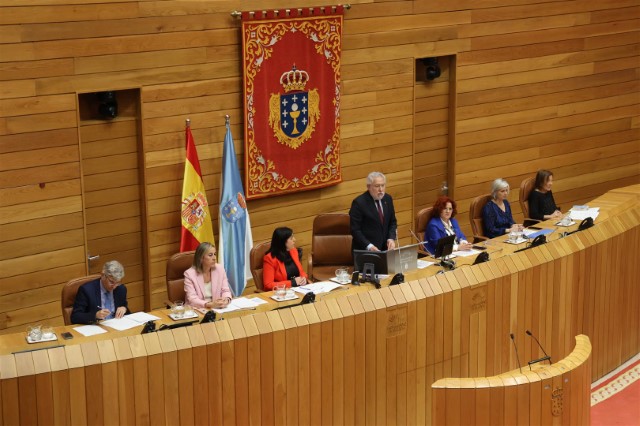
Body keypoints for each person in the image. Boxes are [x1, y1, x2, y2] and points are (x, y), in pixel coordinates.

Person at [349, 171, 398, 252]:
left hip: (385, 249)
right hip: (365, 251)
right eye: (377, 186)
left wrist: (391, 238)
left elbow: (392, 222)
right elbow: (355, 230)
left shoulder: (387, 199)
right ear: (368, 187)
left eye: (383, 185)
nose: (381, 189)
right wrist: (369, 246)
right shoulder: (359, 203)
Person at [71, 260, 129, 324]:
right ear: (103, 275)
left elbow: (124, 306)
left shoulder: (121, 289)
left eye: (117, 282)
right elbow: (75, 317)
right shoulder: (87, 290)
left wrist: (124, 308)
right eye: (111, 282)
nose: (114, 286)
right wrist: (95, 315)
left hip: (116, 326)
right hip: (96, 327)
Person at [184, 242, 232, 309]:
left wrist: (226, 300)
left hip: (217, 309)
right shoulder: (189, 274)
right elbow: (192, 299)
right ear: (201, 258)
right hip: (197, 309)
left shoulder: (219, 269)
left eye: (215, 254)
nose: (214, 258)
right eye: (210, 255)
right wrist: (209, 304)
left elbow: (225, 290)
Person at [263, 227, 308, 291]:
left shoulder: (293, 251)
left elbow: (301, 272)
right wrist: (292, 283)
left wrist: (303, 278)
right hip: (282, 293)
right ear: (283, 241)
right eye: (291, 238)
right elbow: (268, 285)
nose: (294, 239)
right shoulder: (270, 258)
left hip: (300, 289)